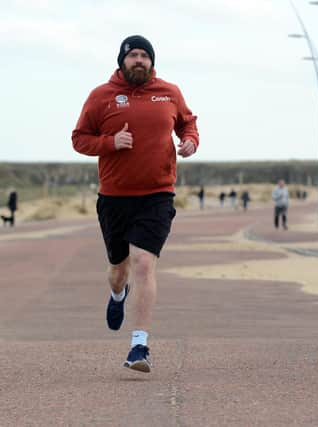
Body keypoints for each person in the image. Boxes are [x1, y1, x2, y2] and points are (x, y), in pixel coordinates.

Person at [72, 35, 199, 373]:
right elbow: (79, 139)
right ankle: (117, 295)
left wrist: (189, 140)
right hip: (114, 199)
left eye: (145, 55)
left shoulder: (169, 92)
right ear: (122, 61)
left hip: (157, 195)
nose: (139, 60)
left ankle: (139, 345)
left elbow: (188, 121)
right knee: (118, 270)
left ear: (152, 61)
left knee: (143, 263)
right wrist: (110, 142)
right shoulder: (101, 96)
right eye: (133, 56)